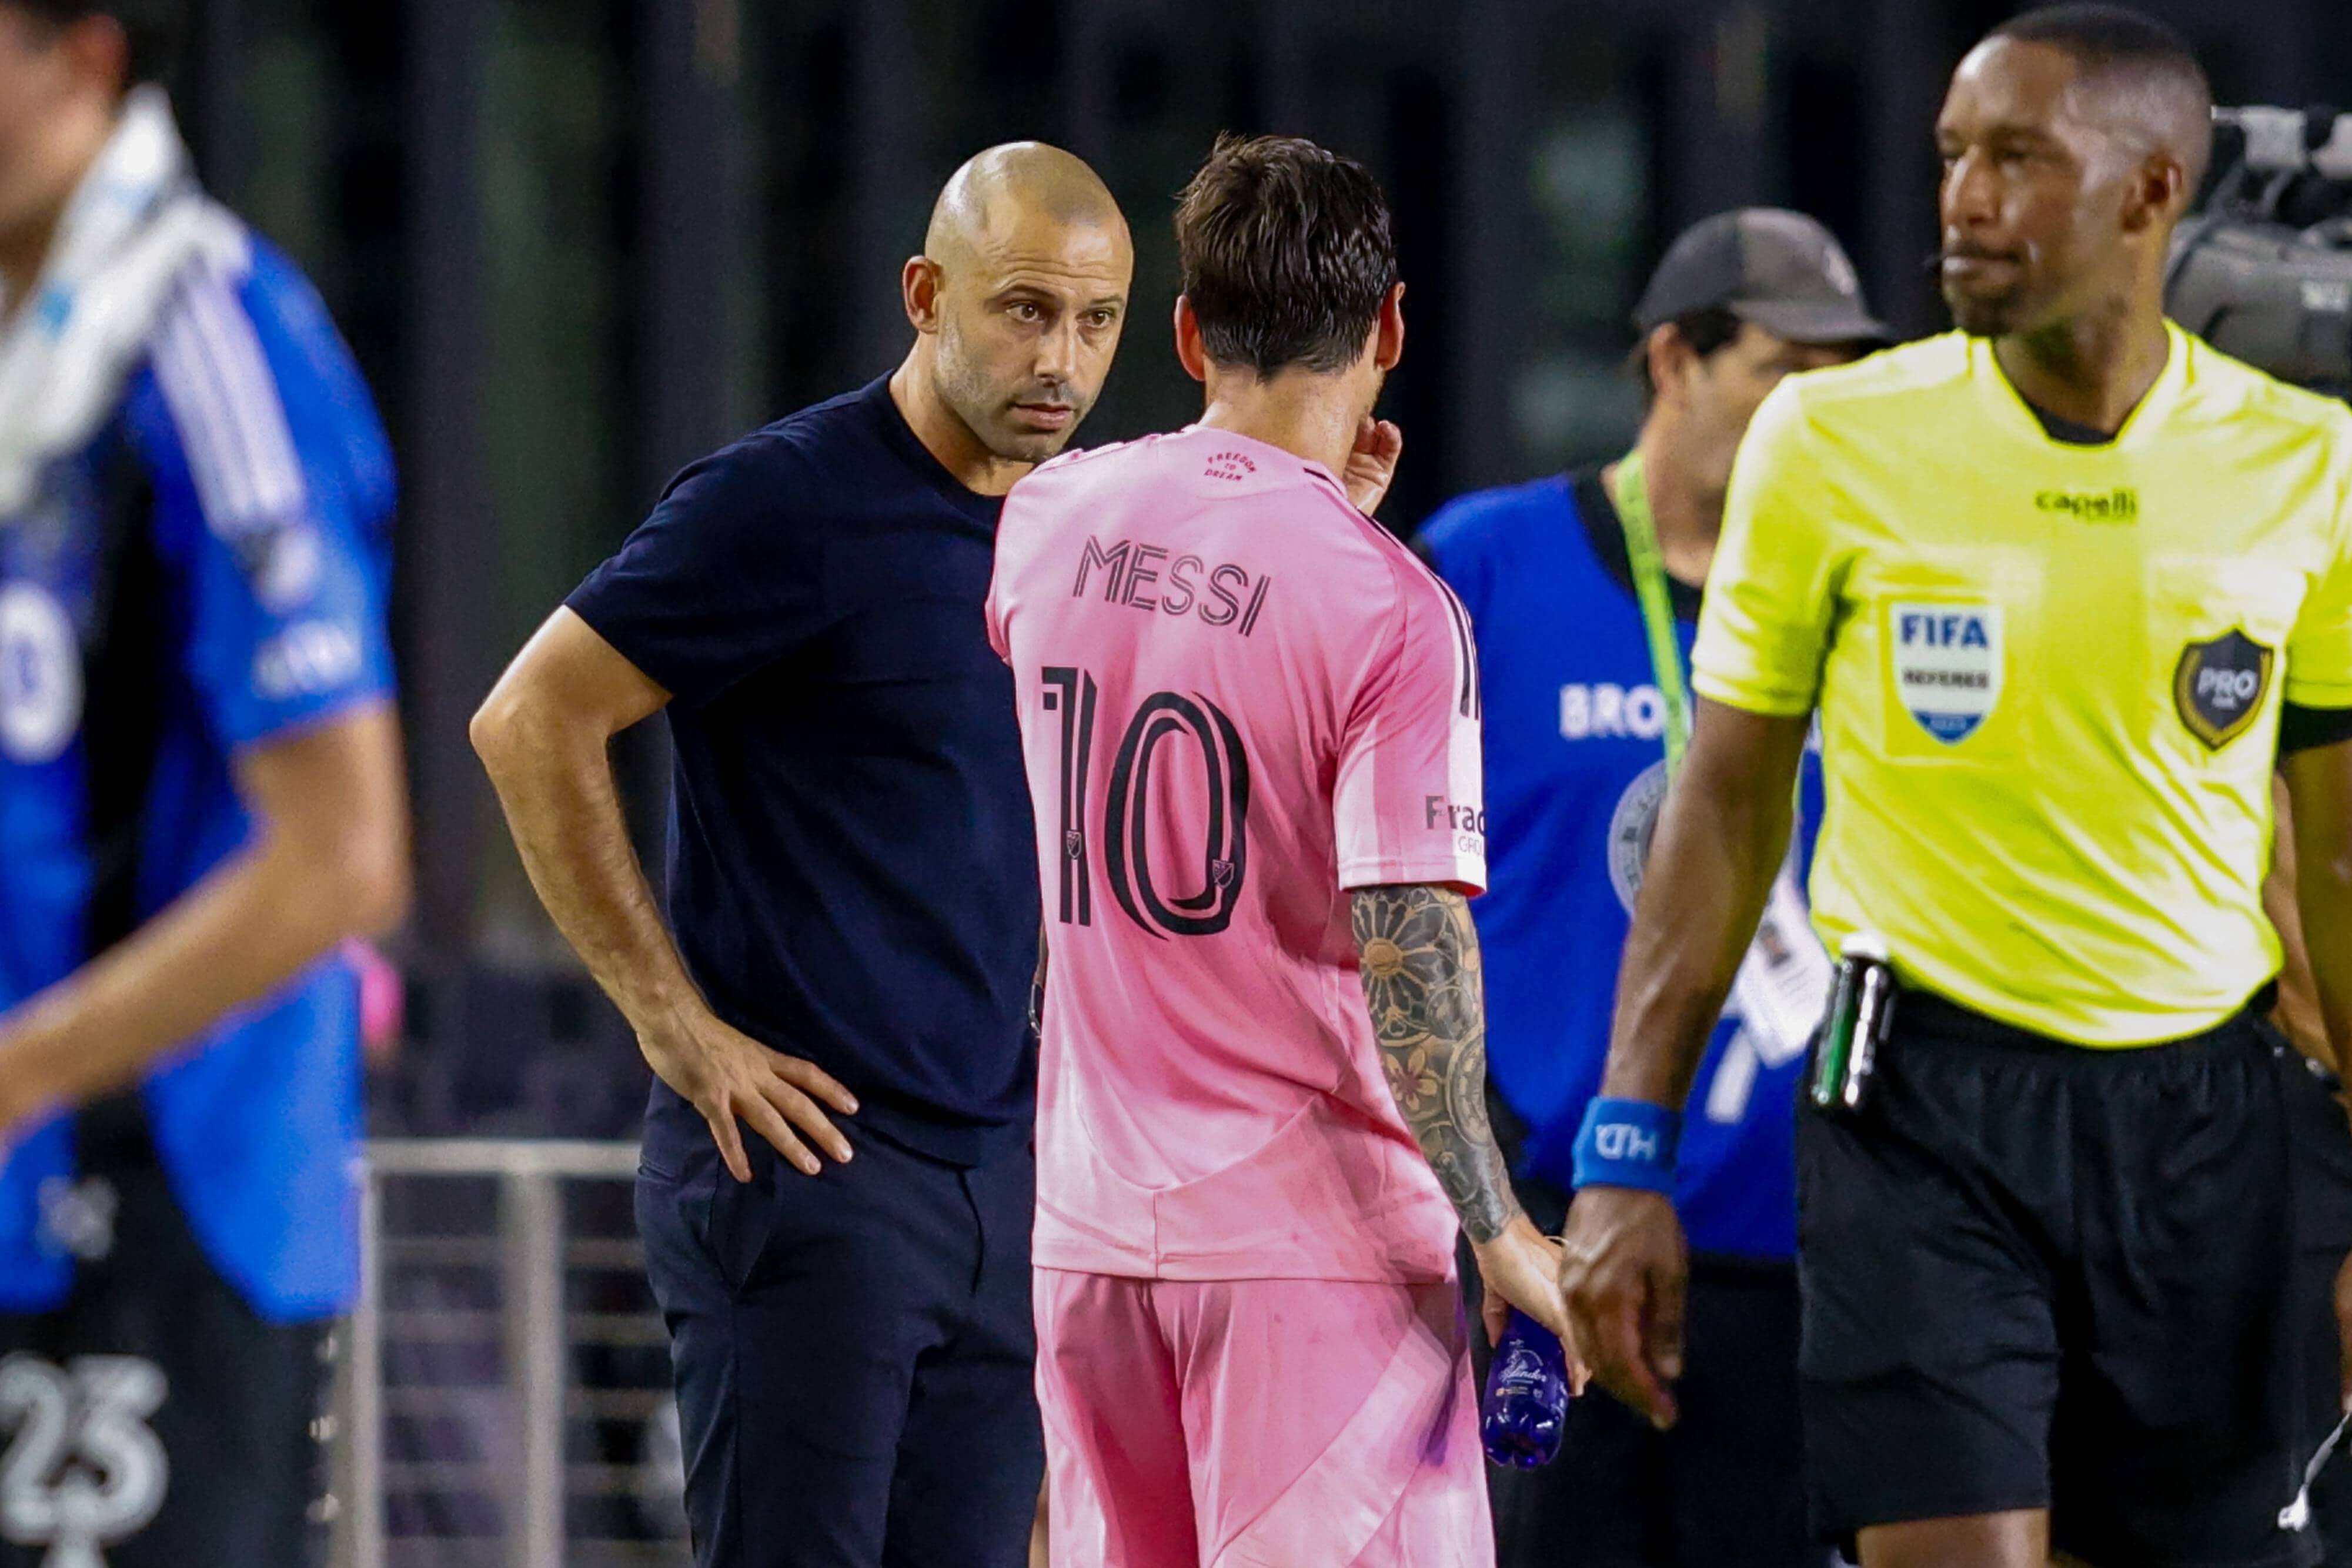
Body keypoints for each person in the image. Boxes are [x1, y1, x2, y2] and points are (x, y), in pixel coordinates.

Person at [1556, 6, 2352, 1567]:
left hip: (2209, 1126)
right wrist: (1622, 1149)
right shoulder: (1835, 440)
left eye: (2019, 159)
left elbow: (2335, 870)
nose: (1966, 199)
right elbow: (1721, 809)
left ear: (2150, 193)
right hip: (1916, 1110)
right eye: (1951, 158)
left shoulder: (2305, 464)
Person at [471, 144, 1132, 1568]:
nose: (1062, 360)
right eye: (1024, 310)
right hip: (805, 1164)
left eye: (1097, 321)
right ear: (923, 294)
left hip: (998, 1170)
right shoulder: (785, 500)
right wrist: (678, 1030)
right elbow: (530, 722)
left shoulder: (1077, 526)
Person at [989, 132, 1569, 1568]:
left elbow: (1196, 618)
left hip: (1090, 1241)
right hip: (1313, 1265)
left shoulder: (1048, 520)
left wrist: (1304, 527)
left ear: (1186, 332)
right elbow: (1406, 936)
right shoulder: (1388, 607)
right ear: (1387, 328)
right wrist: (1497, 1229)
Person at [0, 3, 407, 1565]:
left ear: (82, 55)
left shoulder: (214, 333)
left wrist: (25, 1070)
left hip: (161, 1210)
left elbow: (346, 851)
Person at [1416, 208, 1883, 1568]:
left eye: (1837, 384)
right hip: (1545, 1248)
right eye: (1782, 374)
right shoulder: (1482, 569)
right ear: (1673, 357)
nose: (1815, 416)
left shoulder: (1862, 598)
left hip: (1802, 1254)